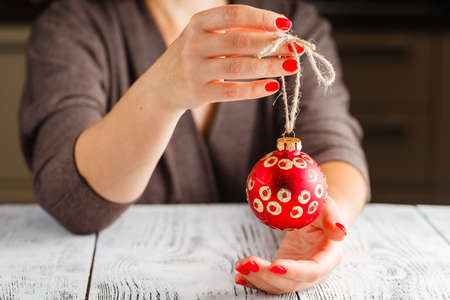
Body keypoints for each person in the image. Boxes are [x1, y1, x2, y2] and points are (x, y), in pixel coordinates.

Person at [20, 0, 370, 294]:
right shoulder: (75, 23)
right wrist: (160, 93)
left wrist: (325, 218)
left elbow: (336, 145)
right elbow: (72, 198)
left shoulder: (292, 19)